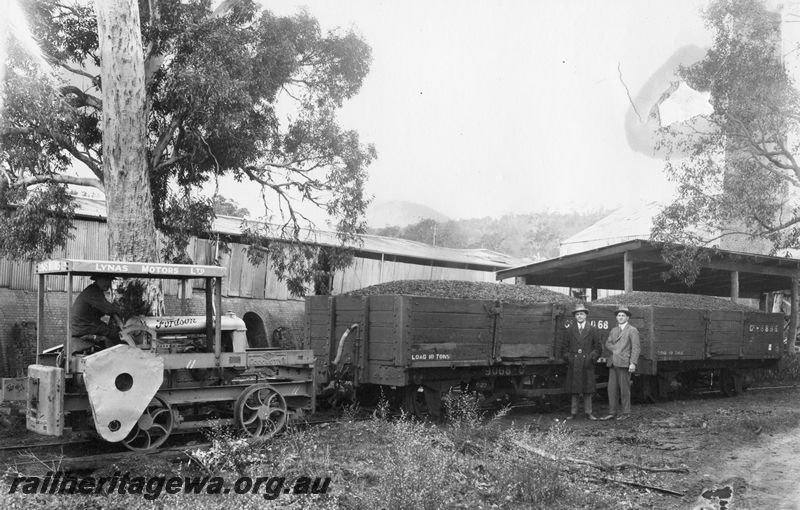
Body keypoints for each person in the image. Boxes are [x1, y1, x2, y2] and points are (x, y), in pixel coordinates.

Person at [557, 304, 602, 420]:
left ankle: (589, 412)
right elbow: (564, 348)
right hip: (574, 363)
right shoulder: (570, 330)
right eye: (577, 314)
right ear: (575, 317)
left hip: (587, 363)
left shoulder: (592, 330)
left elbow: (598, 348)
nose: (580, 316)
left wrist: (591, 358)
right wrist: (570, 359)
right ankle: (573, 412)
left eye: (582, 314)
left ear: (586, 315)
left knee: (588, 389)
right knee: (574, 388)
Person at [601, 306, 641, 421]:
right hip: (613, 362)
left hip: (624, 363)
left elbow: (636, 348)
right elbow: (608, 344)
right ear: (616, 317)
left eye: (623, 315)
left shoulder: (632, 330)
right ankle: (612, 412)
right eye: (619, 315)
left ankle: (626, 413)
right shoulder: (613, 330)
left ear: (627, 317)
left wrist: (633, 363)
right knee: (611, 389)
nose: (621, 317)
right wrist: (616, 350)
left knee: (624, 389)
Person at [71, 274, 122, 349]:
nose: (108, 283)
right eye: (105, 280)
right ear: (97, 280)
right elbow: (108, 309)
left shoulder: (95, 290)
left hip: (84, 325)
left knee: (108, 328)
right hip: (83, 327)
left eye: (109, 281)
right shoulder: (93, 292)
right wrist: (120, 309)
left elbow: (105, 308)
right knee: (115, 333)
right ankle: (118, 355)